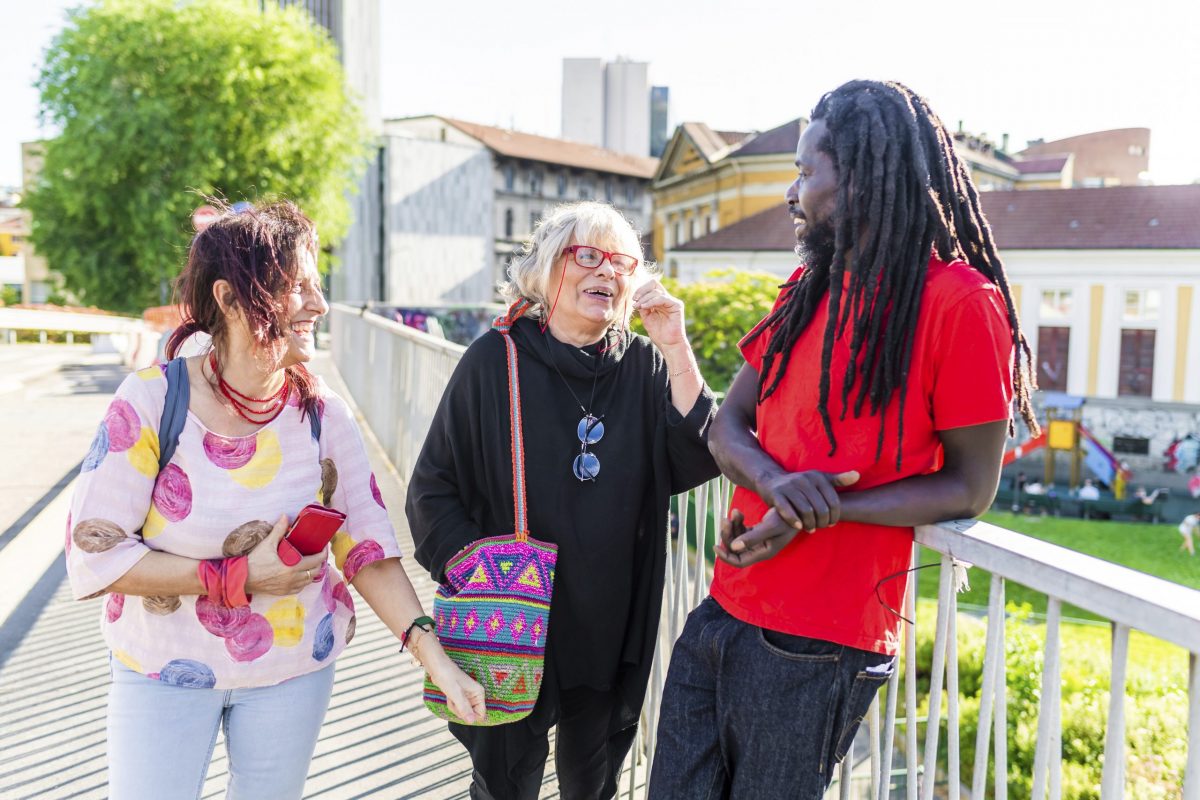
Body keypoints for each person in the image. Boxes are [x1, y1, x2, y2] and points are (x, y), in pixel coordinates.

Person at [648, 80, 1040, 799]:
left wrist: (814, 508)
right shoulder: (807, 286)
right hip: (722, 611)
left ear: (859, 176)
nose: (793, 195)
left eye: (805, 172)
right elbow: (726, 427)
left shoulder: (960, 302)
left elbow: (970, 487)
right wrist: (776, 485)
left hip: (822, 642)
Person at [66, 200, 484, 800]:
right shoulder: (153, 402)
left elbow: (368, 546)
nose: (319, 305)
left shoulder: (322, 414)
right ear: (231, 300)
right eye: (297, 288)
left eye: (319, 287)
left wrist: (433, 657)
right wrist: (236, 575)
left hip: (291, 673)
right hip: (163, 669)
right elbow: (95, 556)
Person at [407, 201, 719, 800]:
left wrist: (677, 347)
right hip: (509, 622)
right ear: (547, 269)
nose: (605, 270)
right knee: (504, 783)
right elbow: (430, 489)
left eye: (620, 261)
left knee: (593, 783)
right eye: (587, 255)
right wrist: (478, 569)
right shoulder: (492, 362)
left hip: (606, 623)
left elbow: (695, 454)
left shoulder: (646, 365)